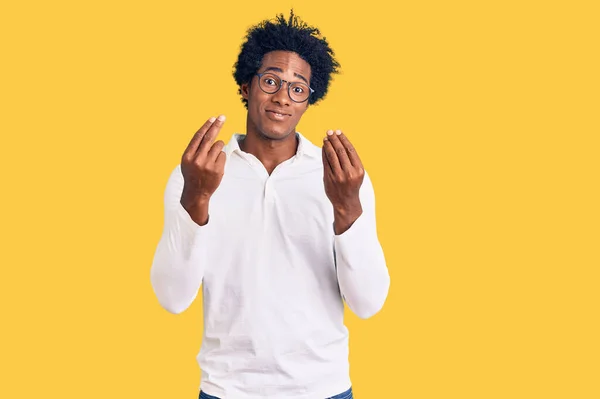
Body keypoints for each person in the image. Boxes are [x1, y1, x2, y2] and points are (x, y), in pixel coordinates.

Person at [150, 10, 390, 399]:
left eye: (298, 88)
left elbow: (368, 303)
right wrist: (196, 196)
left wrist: (347, 207)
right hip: (227, 389)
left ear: (310, 100)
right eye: (271, 81)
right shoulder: (197, 173)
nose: (282, 97)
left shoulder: (340, 176)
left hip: (323, 389)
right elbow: (172, 298)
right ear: (246, 86)